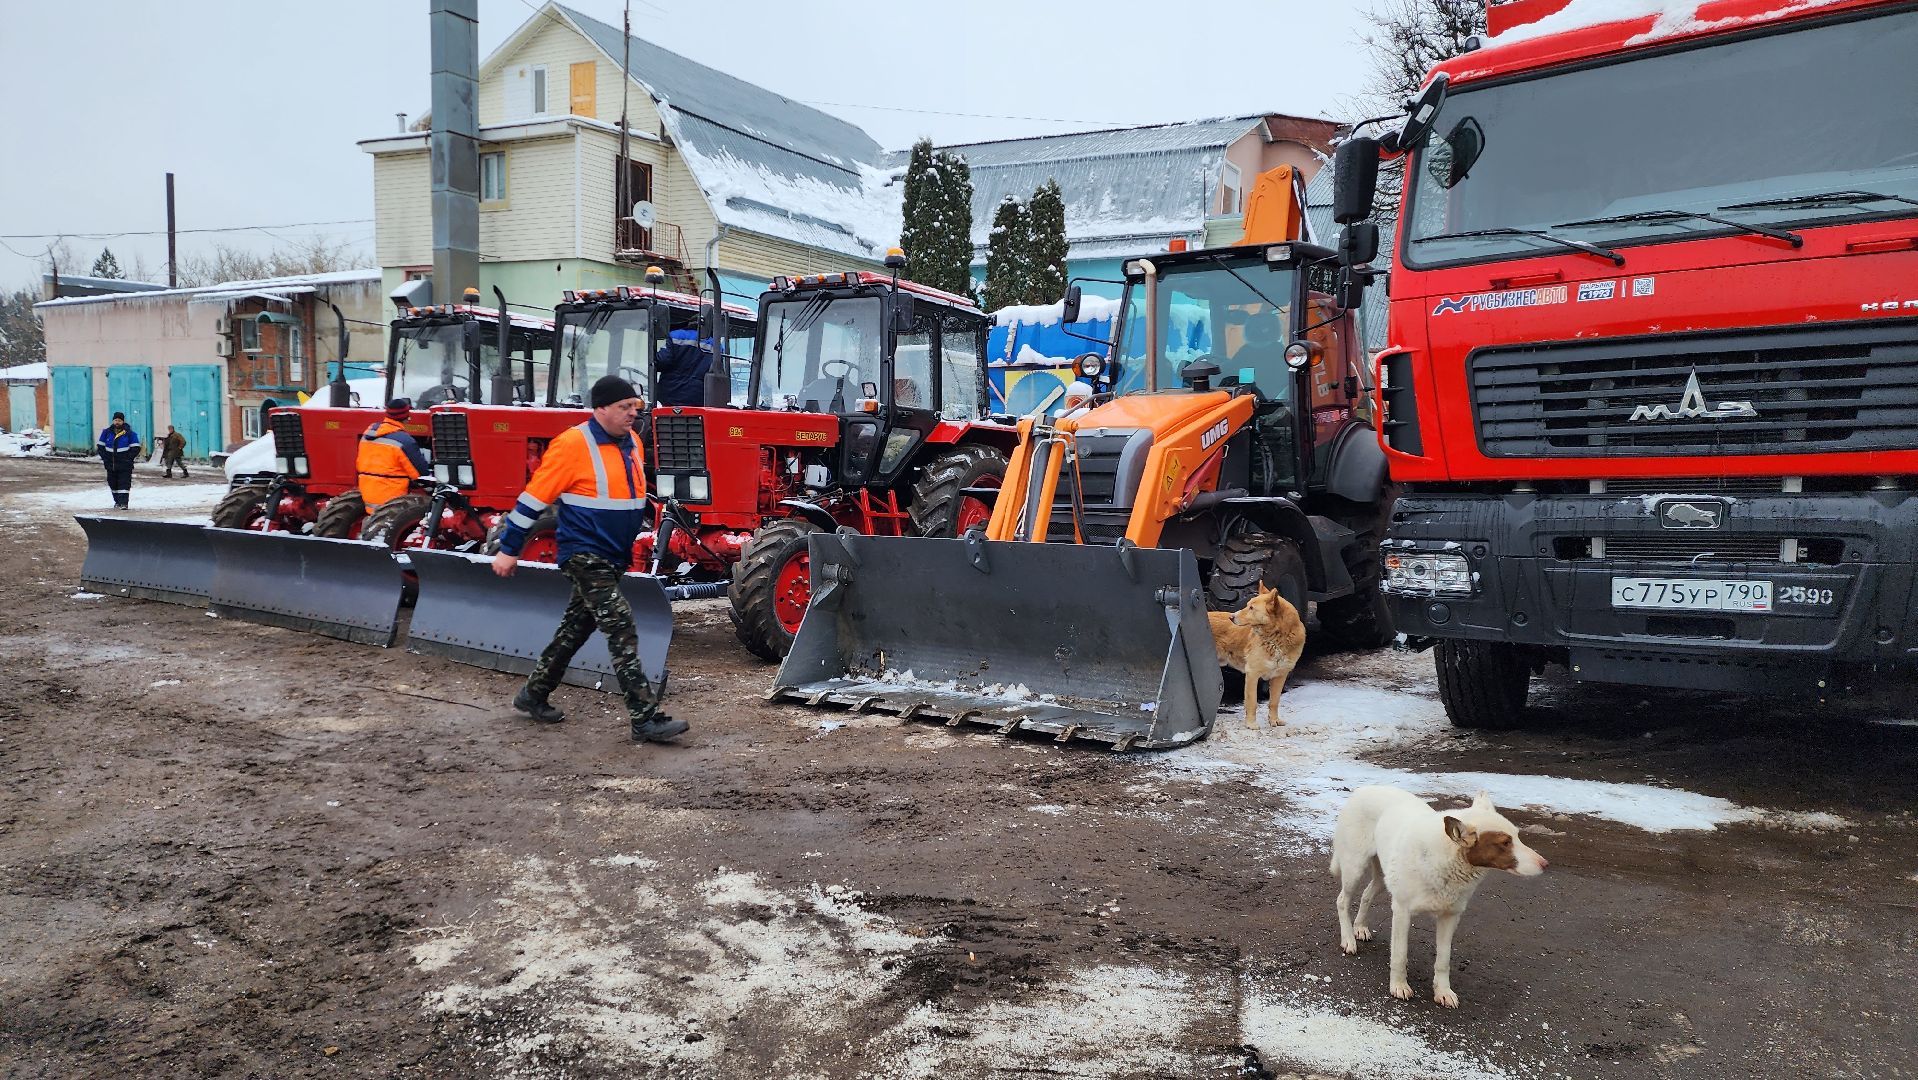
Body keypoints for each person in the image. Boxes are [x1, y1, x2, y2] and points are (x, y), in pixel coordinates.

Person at [490, 375, 686, 745]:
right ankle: (645, 718)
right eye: (624, 408)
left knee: (575, 629)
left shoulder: (632, 444)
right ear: (600, 409)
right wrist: (509, 548)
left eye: (635, 407)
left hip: (613, 555)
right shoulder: (572, 445)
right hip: (583, 553)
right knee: (621, 625)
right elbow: (532, 500)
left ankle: (533, 694)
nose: (632, 414)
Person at [357, 398, 429, 509]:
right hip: (393, 504)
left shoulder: (369, 433)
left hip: (368, 497)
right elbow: (421, 475)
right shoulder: (404, 441)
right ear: (406, 417)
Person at [652, 327, 713, 408]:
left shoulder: (675, 336)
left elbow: (662, 360)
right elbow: (717, 374)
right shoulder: (716, 345)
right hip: (698, 399)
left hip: (670, 395)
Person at [96, 412, 142, 509]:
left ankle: (124, 503)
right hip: (110, 464)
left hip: (125, 465)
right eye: (116, 420)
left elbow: (136, 448)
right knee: (112, 483)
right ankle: (117, 502)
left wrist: (128, 459)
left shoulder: (130, 434)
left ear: (123, 421)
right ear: (113, 421)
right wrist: (106, 459)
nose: (117, 422)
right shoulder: (106, 433)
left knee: (124, 484)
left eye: (119, 420)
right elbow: (100, 447)